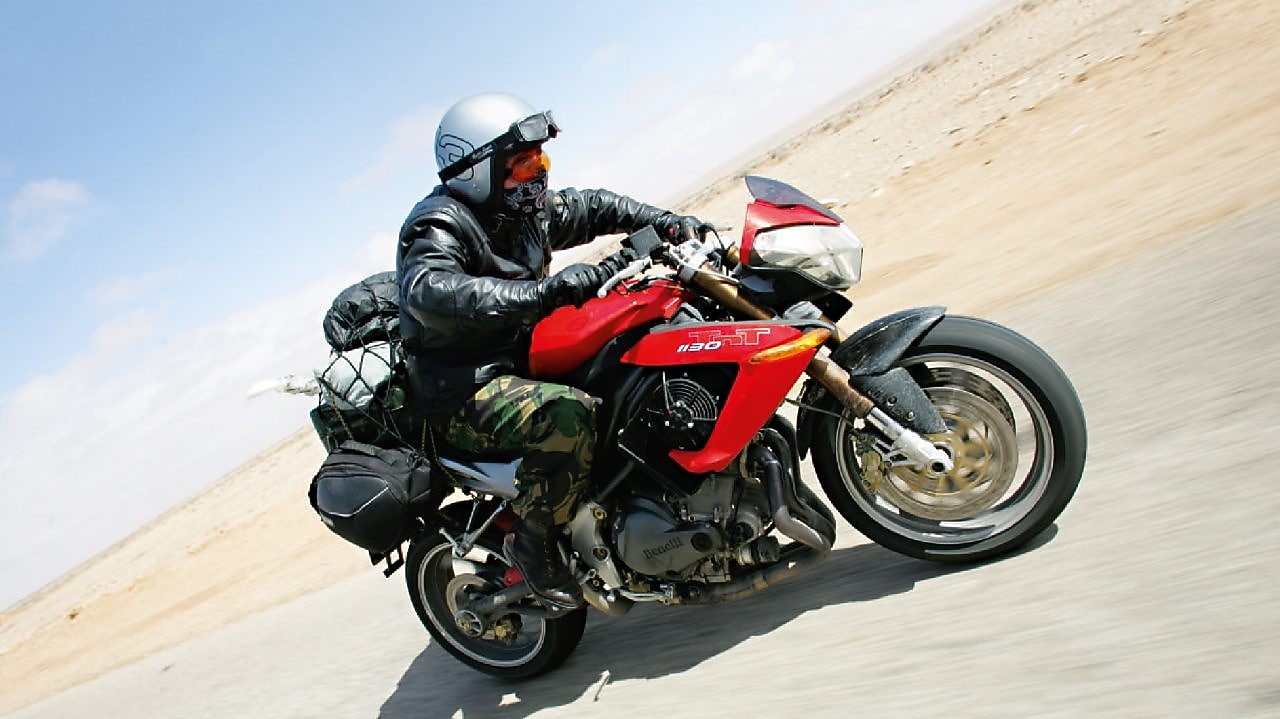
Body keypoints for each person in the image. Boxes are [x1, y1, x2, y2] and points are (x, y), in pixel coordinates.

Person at [395, 92, 711, 609]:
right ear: (478, 171)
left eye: (540, 156)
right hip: (467, 389)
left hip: (527, 359)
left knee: (634, 358)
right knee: (569, 415)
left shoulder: (521, 209)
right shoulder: (438, 224)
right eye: (524, 161)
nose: (539, 170)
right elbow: (430, 289)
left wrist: (666, 221)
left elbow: (592, 207)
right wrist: (545, 293)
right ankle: (533, 542)